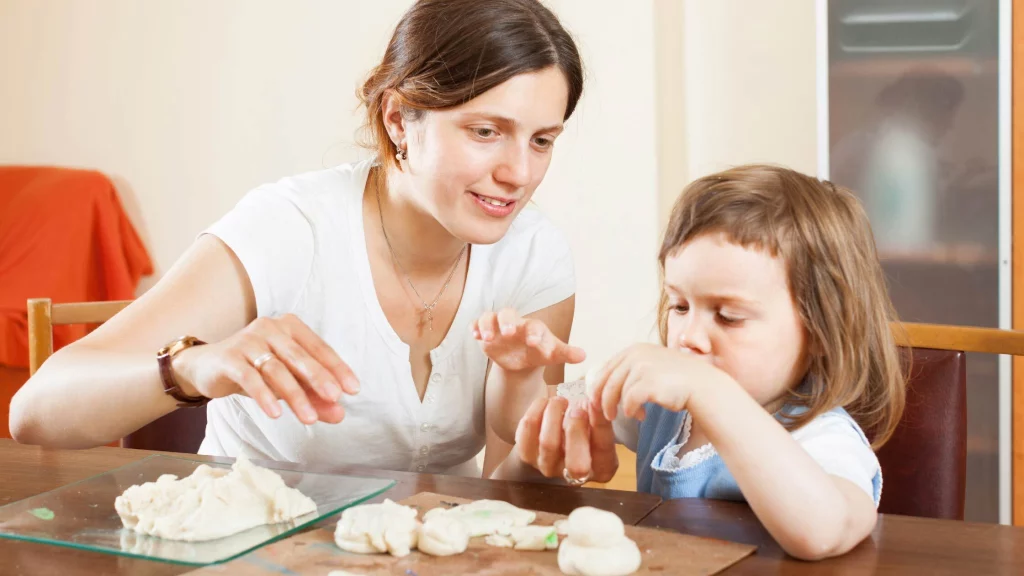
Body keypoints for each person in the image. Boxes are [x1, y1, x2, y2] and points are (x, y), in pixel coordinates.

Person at [10, 0, 586, 480]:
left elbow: (508, 489)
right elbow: (37, 413)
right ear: (398, 119)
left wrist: (540, 429)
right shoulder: (290, 229)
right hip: (250, 547)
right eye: (486, 132)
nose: (519, 174)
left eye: (541, 141)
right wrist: (193, 366)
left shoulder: (534, 255)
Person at [499, 165, 907, 560]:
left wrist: (712, 391)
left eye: (728, 316)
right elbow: (525, 448)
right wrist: (524, 383)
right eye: (679, 306)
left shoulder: (820, 436)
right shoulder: (661, 408)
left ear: (820, 328)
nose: (688, 337)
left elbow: (822, 534)